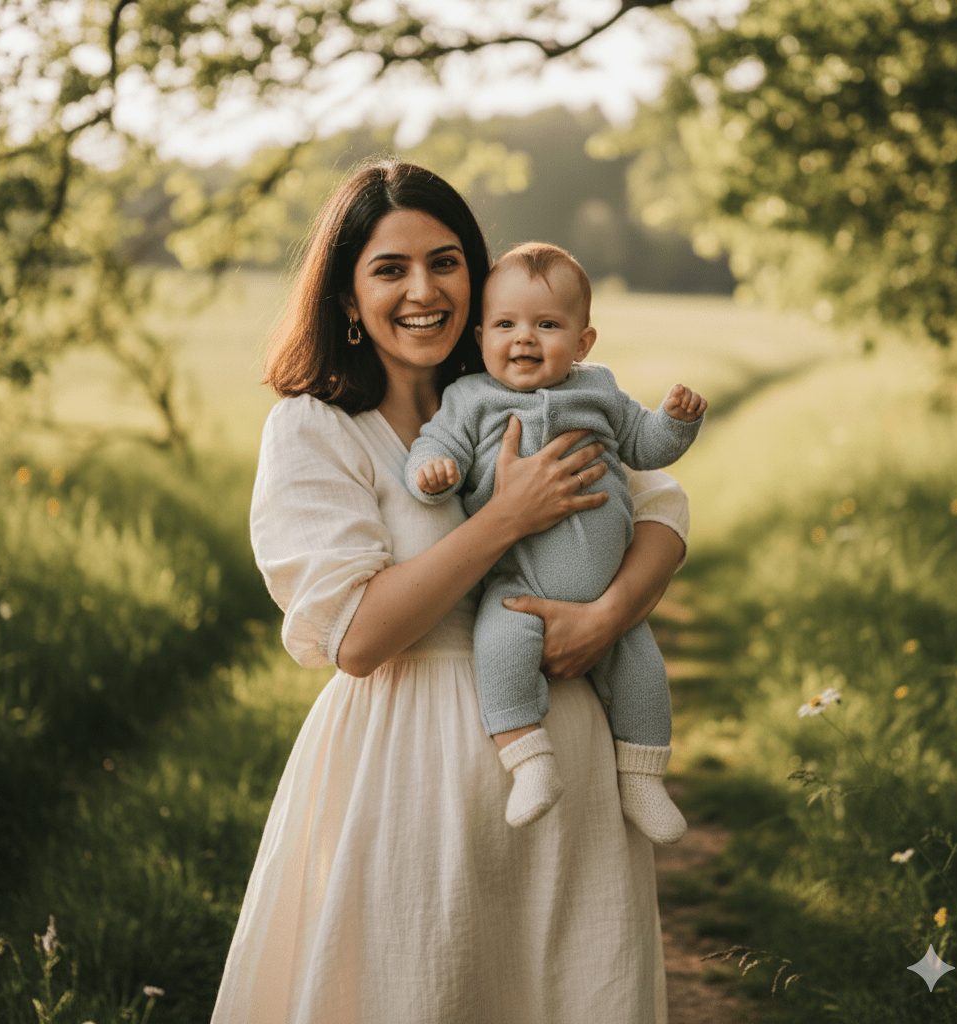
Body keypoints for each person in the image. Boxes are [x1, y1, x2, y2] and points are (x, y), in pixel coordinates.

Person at [210, 159, 691, 1024]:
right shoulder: (316, 429)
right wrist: (503, 519)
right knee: (419, 985)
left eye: (444, 262)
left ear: (476, 274)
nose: (422, 290)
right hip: (407, 767)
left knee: (572, 989)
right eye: (389, 270)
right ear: (348, 299)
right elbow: (356, 639)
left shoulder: (534, 384)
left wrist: (609, 616)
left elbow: (660, 510)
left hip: (569, 751)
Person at [404, 242, 706, 841]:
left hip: (606, 587)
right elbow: (438, 446)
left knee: (643, 671)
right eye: (506, 325)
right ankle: (529, 760)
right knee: (500, 650)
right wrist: (433, 472)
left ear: (583, 342)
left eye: (547, 325)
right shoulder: (470, 399)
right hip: (519, 585)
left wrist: (675, 422)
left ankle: (642, 777)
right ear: (482, 334)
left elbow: (646, 445)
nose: (524, 339)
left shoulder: (598, 391)